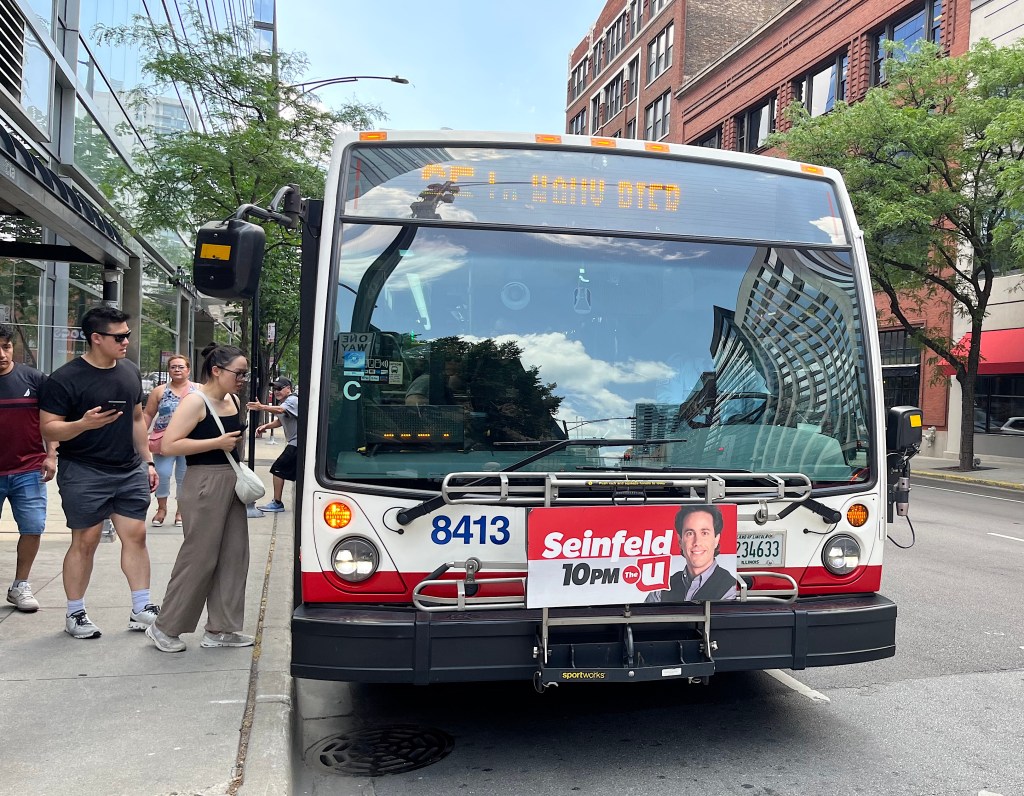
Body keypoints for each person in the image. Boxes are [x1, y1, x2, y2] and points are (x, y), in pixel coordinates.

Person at [38, 306, 160, 639]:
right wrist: (82, 424)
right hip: (84, 471)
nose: (126, 342)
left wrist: (147, 460)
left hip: (129, 469)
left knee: (136, 535)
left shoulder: (130, 372)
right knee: (86, 540)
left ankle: (141, 608)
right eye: (119, 337)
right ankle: (75, 613)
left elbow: (137, 419)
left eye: (128, 335)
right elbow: (49, 429)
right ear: (95, 338)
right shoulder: (64, 379)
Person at [145, 344, 254, 653]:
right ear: (217, 371)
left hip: (230, 481)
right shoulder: (195, 401)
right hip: (204, 482)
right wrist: (216, 441)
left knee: (234, 555)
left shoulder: (232, 399)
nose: (242, 379)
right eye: (239, 373)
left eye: (245, 373)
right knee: (199, 558)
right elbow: (168, 445)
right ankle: (165, 627)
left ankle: (221, 628)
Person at [1, 323, 58, 613]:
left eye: (6, 346)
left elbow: (50, 420)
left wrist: (51, 455)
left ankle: (21, 585)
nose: (2, 354)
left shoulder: (34, 378)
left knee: (33, 527)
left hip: (29, 468)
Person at [143, 354, 198, 527]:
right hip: (164, 442)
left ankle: (181, 511)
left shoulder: (198, 390)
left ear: (188, 370)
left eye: (181, 367)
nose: (177, 370)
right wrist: (140, 434)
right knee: (163, 474)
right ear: (169, 370)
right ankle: (161, 509)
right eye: (173, 367)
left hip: (189, 441)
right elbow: (148, 414)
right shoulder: (159, 391)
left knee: (184, 478)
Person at [646, 505, 737, 603]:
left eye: (704, 533)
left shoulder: (730, 589)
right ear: (680, 541)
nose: (697, 542)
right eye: (690, 533)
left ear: (716, 539)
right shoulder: (662, 590)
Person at [247, 377, 298, 513]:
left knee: (278, 468)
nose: (276, 391)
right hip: (295, 443)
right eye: (274, 389)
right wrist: (266, 426)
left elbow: (280, 412)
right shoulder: (286, 403)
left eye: (280, 388)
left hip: (297, 444)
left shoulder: (292, 400)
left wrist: (261, 407)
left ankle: (277, 503)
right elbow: (281, 420)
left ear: (289, 388)